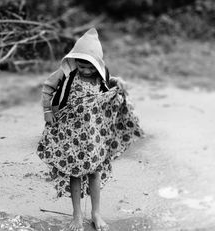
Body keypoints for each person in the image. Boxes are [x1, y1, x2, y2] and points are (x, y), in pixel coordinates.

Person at [37, 28, 143, 231]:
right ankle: (77, 214)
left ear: (97, 65)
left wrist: (118, 82)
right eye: (81, 65)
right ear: (75, 60)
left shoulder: (100, 75)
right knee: (75, 172)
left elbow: (108, 81)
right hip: (71, 132)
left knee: (95, 171)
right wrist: (47, 111)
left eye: (90, 67)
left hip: (94, 133)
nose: (85, 70)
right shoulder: (67, 73)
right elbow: (47, 87)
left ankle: (96, 213)